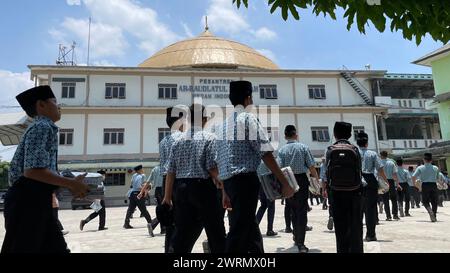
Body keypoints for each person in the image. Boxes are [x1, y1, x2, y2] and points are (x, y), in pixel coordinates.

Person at [1, 85, 89, 253]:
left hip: (35, 198)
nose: (59, 106)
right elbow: (32, 171)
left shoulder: (43, 127)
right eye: (55, 102)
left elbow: (41, 171)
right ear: (41, 105)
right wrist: (71, 184)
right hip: (27, 201)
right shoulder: (42, 127)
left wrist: (67, 183)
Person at [215, 80, 295, 253]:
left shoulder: (222, 126)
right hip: (245, 182)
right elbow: (265, 152)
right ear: (248, 98)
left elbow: (221, 160)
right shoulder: (248, 118)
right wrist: (284, 182)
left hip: (230, 182)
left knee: (250, 229)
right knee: (239, 231)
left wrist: (224, 191)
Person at [162, 104, 227, 253]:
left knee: (183, 235)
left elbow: (170, 171)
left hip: (181, 190)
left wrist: (167, 197)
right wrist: (223, 186)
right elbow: (212, 167)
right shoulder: (209, 138)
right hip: (203, 189)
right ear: (204, 119)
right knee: (215, 233)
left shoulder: (177, 141)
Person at [278, 125, 319, 253]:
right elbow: (311, 166)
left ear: (285, 136)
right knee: (301, 211)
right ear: (296, 135)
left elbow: (279, 167)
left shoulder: (282, 150)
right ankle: (301, 242)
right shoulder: (303, 147)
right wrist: (316, 179)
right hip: (301, 180)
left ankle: (296, 236)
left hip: (288, 180)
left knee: (293, 210)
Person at [323, 122, 363, 253]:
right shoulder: (355, 149)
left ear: (334, 134)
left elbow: (326, 174)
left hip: (336, 193)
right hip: (354, 192)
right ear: (350, 135)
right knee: (355, 226)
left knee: (340, 227)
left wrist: (325, 189)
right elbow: (359, 171)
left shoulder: (329, 150)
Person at [356, 132, 388, 242]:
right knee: (370, 209)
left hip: (357, 182)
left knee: (357, 210)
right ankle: (370, 235)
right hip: (370, 181)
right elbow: (380, 169)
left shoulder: (354, 153)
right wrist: (385, 181)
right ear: (367, 143)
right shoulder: (372, 154)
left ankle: (357, 235)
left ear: (357, 142)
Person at [123, 165, 157, 236]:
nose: (143, 170)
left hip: (132, 194)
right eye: (142, 169)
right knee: (143, 210)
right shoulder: (142, 175)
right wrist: (146, 188)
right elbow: (139, 186)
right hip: (139, 194)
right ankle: (151, 223)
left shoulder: (134, 175)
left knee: (130, 209)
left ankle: (126, 223)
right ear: (139, 170)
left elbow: (132, 184)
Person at [412, 153, 440, 222]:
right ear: (431, 160)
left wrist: (415, 184)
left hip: (425, 185)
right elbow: (437, 178)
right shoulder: (435, 168)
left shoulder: (420, 168)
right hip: (433, 185)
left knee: (425, 201)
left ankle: (430, 212)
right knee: (434, 201)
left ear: (424, 160)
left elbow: (413, 176)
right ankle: (434, 215)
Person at [138, 165, 164, 233]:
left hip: (157, 191)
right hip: (164, 190)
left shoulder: (155, 169)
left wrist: (141, 192)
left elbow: (148, 182)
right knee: (166, 210)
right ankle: (153, 225)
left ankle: (163, 229)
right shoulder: (167, 167)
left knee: (161, 210)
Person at [256, 161, 277, 237]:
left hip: (260, 185)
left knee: (263, 206)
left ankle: (255, 226)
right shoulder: (267, 161)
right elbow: (272, 173)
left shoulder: (257, 161)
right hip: (268, 185)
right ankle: (270, 229)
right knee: (271, 207)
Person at [379, 151, 401, 221]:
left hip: (382, 182)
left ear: (381, 155)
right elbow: (394, 174)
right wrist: (397, 184)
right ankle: (395, 215)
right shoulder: (391, 163)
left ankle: (388, 216)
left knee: (385, 200)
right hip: (391, 181)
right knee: (394, 199)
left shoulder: (379, 163)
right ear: (387, 155)